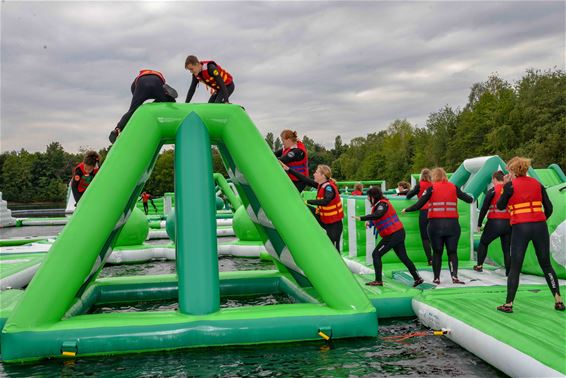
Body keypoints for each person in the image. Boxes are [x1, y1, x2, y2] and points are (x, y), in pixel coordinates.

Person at [495, 157, 564, 313]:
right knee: (546, 264)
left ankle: (509, 304)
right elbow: (549, 208)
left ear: (513, 170)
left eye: (509, 171)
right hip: (539, 227)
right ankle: (558, 300)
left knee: (515, 267)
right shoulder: (538, 184)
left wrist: (504, 187)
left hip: (521, 228)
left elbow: (500, 206)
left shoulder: (510, 186)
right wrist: (539, 221)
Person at [403, 168, 473, 285]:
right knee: (452, 252)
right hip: (452, 225)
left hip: (435, 225)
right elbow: (469, 199)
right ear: (445, 176)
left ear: (434, 177)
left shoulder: (431, 188)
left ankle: (436, 278)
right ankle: (454, 277)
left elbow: (419, 204)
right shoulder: (453, 187)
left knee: (437, 252)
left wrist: (407, 209)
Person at [353, 187, 423, 287]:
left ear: (373, 196)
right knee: (403, 257)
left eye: (369, 196)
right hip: (397, 233)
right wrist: (370, 223)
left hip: (393, 235)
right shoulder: (381, 204)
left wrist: (362, 218)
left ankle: (378, 280)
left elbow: (379, 214)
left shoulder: (382, 204)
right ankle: (417, 278)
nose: (368, 198)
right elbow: (381, 217)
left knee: (376, 254)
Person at [282, 163, 343, 251]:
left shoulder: (329, 187)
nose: (314, 174)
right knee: (304, 207)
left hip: (334, 224)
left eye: (316, 172)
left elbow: (326, 201)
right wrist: (289, 169)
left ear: (323, 175)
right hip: (324, 219)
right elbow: (305, 179)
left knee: (334, 250)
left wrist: (307, 201)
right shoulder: (320, 185)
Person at [110, 69, 177, 143]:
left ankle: (117, 129)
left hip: (142, 83)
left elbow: (134, 95)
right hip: (157, 80)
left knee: (132, 111)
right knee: (168, 101)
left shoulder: (135, 83)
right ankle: (168, 96)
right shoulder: (157, 76)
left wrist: (138, 104)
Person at [474, 171, 511, 275]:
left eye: (492, 180)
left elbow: (484, 208)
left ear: (495, 179)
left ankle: (479, 265)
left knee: (483, 243)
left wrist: (479, 224)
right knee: (507, 249)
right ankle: (509, 271)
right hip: (508, 223)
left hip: (495, 222)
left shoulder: (492, 191)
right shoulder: (510, 190)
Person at [406, 169, 433, 265]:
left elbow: (408, 196)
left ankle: (430, 259)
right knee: (434, 237)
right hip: (434, 212)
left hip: (424, 212)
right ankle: (437, 258)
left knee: (425, 238)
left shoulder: (420, 185)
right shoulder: (434, 185)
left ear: (421, 176)